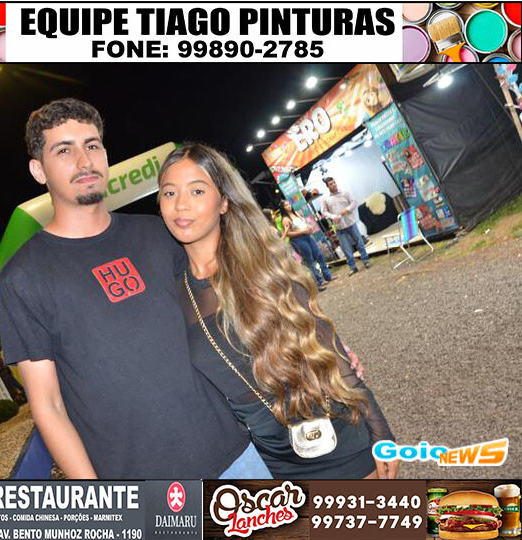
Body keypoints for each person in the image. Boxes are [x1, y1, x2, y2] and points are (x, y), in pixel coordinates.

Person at [0, 98, 269, 479]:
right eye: (64, 150)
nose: (84, 161)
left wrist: (319, 352)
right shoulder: (22, 277)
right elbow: (49, 407)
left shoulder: (158, 234)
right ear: (38, 170)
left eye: (92, 145)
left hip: (237, 456)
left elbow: (231, 307)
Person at [158, 143, 397, 479]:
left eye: (197, 191)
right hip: (266, 460)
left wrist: (381, 433)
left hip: (331, 436)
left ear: (224, 201)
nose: (180, 204)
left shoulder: (262, 265)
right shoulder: (172, 292)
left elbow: (330, 351)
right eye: (169, 193)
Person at [280, 200, 336, 290]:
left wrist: (309, 226)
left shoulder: (296, 213)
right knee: (309, 260)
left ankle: (328, 275)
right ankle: (319, 280)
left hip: (307, 236)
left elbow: (303, 223)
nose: (289, 206)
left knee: (319, 254)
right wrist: (302, 231)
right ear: (283, 208)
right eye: (286, 205)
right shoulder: (285, 219)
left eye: (289, 204)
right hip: (298, 240)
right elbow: (288, 234)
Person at [321, 177, 371, 276]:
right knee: (346, 248)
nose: (333, 185)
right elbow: (324, 212)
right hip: (339, 227)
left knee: (359, 242)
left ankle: (366, 261)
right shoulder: (325, 198)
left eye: (334, 182)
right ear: (327, 186)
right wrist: (333, 216)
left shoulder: (345, 192)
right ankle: (353, 267)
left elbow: (354, 202)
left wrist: (347, 209)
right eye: (331, 184)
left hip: (350, 223)